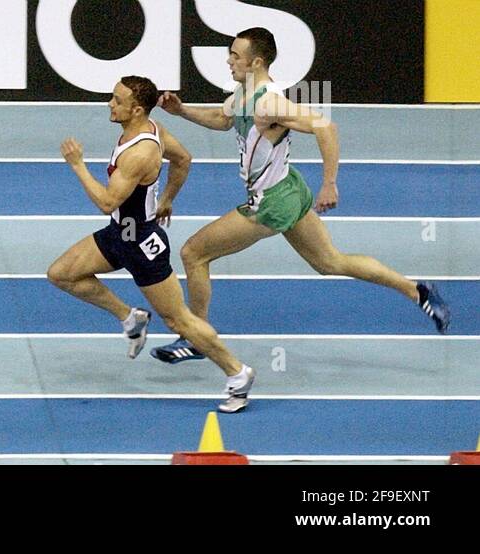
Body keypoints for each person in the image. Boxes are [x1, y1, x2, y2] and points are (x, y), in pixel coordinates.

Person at [151, 27, 451, 364]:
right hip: (289, 188)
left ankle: (196, 337)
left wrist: (330, 183)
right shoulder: (242, 93)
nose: (228, 60)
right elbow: (224, 118)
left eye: (235, 55)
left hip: (271, 202)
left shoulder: (269, 103)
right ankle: (418, 290)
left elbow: (326, 127)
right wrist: (183, 112)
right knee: (331, 262)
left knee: (194, 253)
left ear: (257, 62)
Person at [49, 76, 258, 413]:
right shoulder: (152, 128)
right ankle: (130, 318)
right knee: (61, 274)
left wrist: (78, 166)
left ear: (136, 109)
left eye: (117, 100)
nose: (110, 104)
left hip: (142, 243)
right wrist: (167, 199)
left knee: (179, 321)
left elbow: (107, 201)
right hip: (120, 234)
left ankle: (238, 373)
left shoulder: (140, 152)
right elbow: (183, 159)